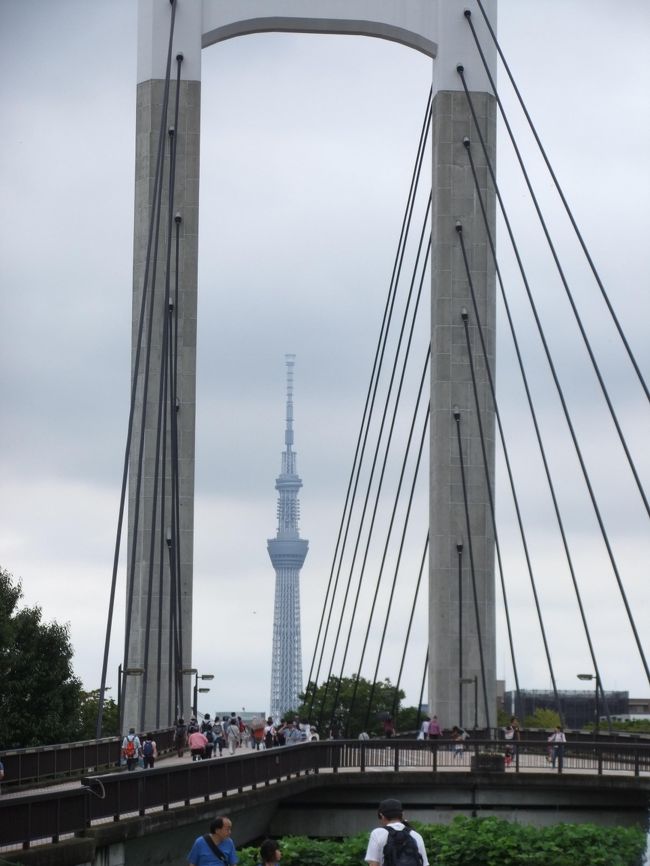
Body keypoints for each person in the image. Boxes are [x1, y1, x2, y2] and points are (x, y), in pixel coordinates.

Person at [365, 798, 429, 866]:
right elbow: (424, 864)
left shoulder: (377, 833)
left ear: (381, 815)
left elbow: (373, 864)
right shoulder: (415, 835)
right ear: (402, 814)